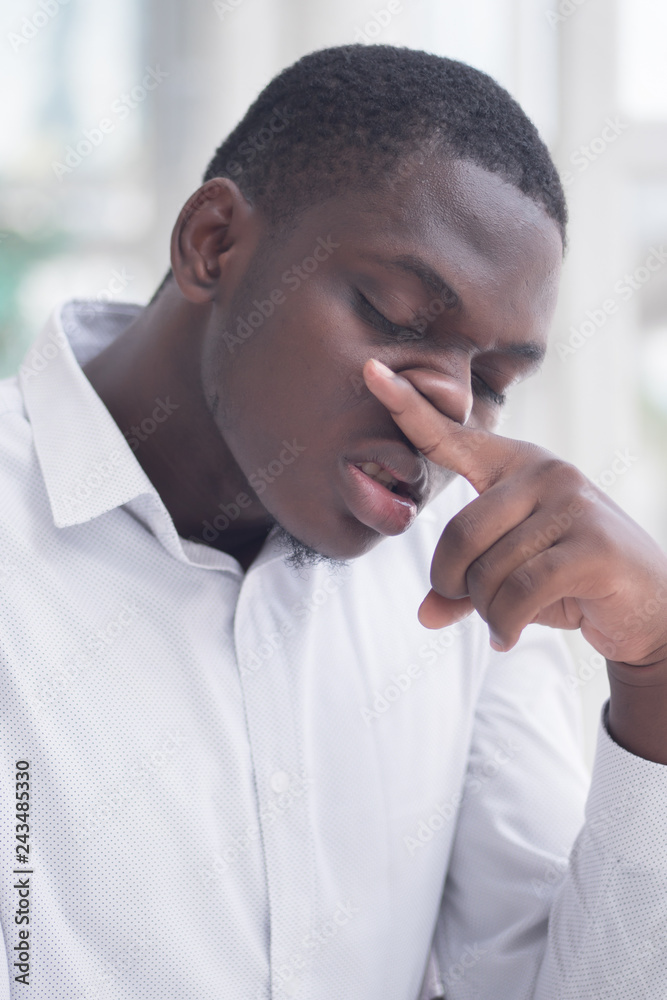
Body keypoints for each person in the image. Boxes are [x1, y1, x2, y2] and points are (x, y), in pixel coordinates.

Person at [1, 43, 666, 1000]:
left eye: (490, 383)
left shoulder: (465, 592)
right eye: (394, 314)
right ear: (214, 245)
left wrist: (650, 681)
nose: (443, 409)